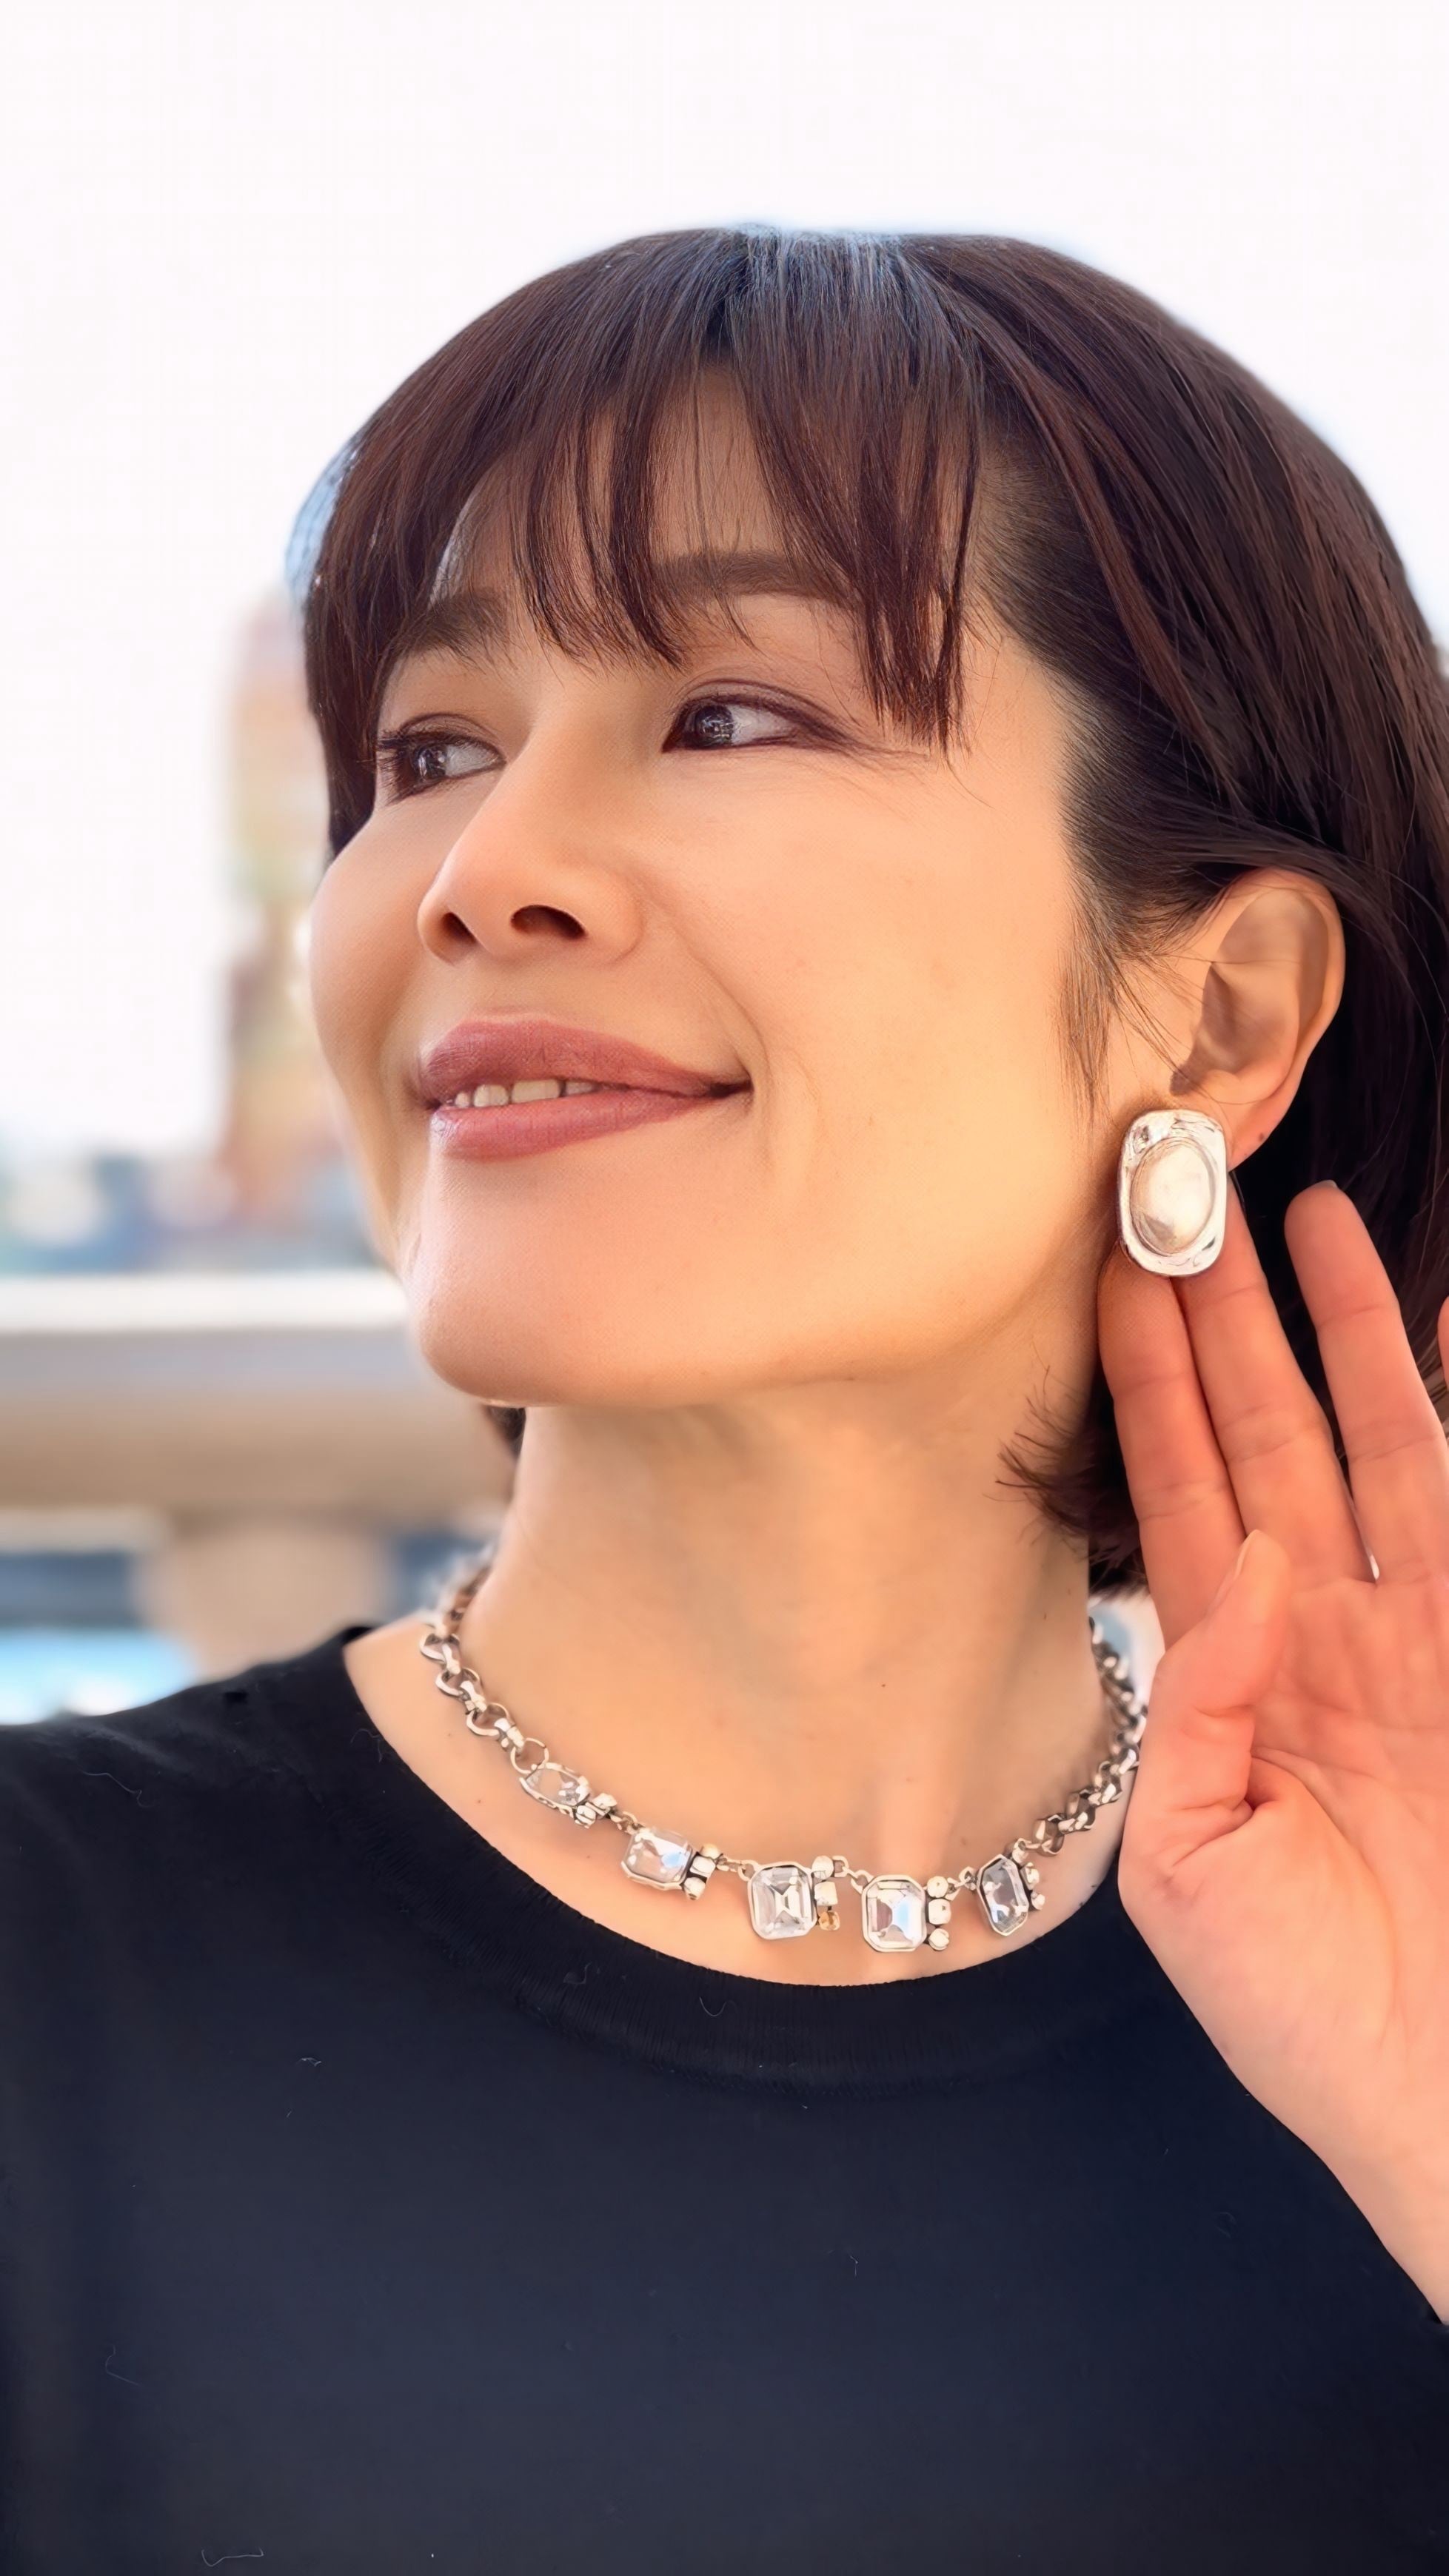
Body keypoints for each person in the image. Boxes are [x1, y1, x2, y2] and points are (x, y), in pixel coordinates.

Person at [2, 227, 1447, 2573]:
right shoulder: (54, 1965)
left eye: (734, 716)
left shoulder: (1398, 1982)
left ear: (1221, 1016)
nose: (487, 870)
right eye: (430, 752)